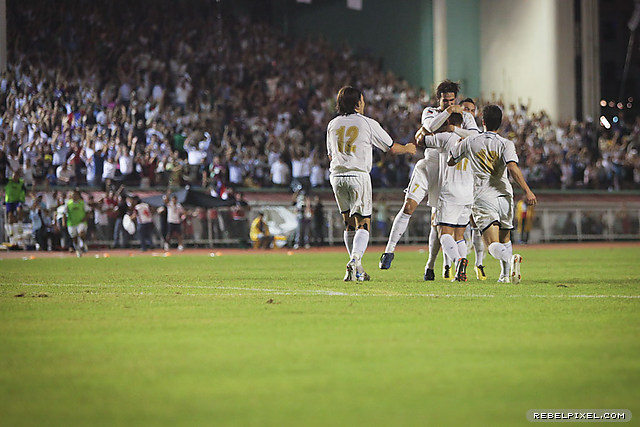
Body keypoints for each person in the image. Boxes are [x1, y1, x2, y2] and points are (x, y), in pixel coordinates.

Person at [379, 80, 479, 279]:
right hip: (430, 165)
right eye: (445, 101)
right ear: (438, 99)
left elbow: (474, 135)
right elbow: (428, 126)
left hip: (447, 171)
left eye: (452, 100)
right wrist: (448, 113)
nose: (448, 103)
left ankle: (432, 266)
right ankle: (389, 250)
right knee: (409, 206)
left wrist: (452, 129)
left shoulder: (466, 116)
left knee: (439, 224)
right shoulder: (431, 112)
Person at [327, 86, 416, 282]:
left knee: (348, 224)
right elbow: (391, 148)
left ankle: (357, 269)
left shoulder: (332, 124)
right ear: (357, 103)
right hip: (358, 175)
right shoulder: (366, 123)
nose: (364, 104)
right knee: (363, 223)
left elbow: (331, 154)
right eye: (363, 100)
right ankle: (355, 259)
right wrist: (408, 148)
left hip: (337, 176)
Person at [449, 105, 537, 284]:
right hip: (505, 195)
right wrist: (527, 190)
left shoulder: (470, 141)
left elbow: (451, 161)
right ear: (500, 122)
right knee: (505, 238)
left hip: (483, 196)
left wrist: (457, 146)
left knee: (491, 245)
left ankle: (509, 259)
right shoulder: (506, 143)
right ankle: (505, 276)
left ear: (482, 122)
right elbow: (512, 167)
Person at [63, 189, 90, 257]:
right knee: (74, 238)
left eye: (75, 195)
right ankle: (78, 250)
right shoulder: (68, 203)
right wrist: (64, 222)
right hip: (71, 223)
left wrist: (85, 218)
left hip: (81, 222)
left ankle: (83, 244)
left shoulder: (82, 203)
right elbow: (64, 213)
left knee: (81, 233)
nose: (74, 196)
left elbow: (88, 211)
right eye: (73, 195)